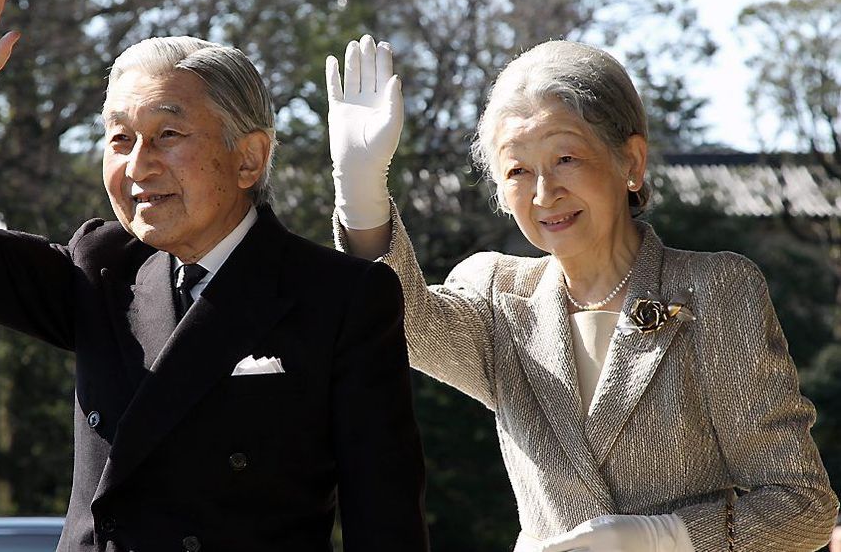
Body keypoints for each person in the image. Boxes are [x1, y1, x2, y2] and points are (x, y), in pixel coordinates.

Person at [0, 0, 429, 552]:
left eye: (168, 135)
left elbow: (386, 520)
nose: (138, 166)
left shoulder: (340, 297)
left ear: (249, 158)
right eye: (119, 138)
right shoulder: (102, 269)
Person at [326, 34, 839, 551]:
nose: (545, 193)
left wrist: (663, 538)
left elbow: (804, 506)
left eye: (566, 158)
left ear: (631, 162)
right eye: (518, 170)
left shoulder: (715, 292)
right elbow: (397, 320)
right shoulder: (496, 298)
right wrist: (361, 189)